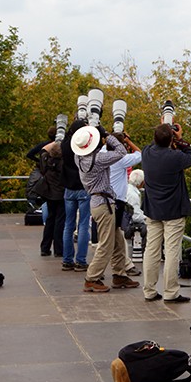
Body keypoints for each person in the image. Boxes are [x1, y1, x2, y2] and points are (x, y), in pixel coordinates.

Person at [72, 125, 139, 293]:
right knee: (106, 245)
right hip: (104, 205)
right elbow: (121, 152)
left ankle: (119, 274)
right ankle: (92, 278)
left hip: (100, 202)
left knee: (118, 241)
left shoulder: (79, 158)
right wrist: (107, 135)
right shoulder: (98, 160)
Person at [141, 122, 191, 303]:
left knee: (151, 250)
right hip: (173, 210)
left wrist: (164, 131)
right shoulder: (175, 157)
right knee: (171, 251)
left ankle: (149, 290)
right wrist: (180, 140)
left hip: (153, 210)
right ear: (171, 139)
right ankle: (170, 291)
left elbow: (151, 144)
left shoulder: (147, 154)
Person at [109, 131, 143, 276]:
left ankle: (122, 270)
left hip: (105, 201)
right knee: (108, 242)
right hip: (116, 202)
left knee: (117, 239)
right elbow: (141, 154)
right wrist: (128, 142)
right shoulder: (121, 159)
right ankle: (94, 275)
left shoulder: (103, 154)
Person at [61, 117, 91, 271]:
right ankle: (81, 260)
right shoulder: (84, 146)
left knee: (68, 225)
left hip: (68, 188)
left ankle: (67, 259)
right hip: (83, 187)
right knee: (84, 225)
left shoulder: (65, 144)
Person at [37, 139, 66, 257]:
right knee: (60, 222)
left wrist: (54, 143)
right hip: (60, 194)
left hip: (49, 194)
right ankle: (58, 249)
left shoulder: (46, 162)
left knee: (50, 220)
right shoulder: (63, 164)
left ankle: (45, 247)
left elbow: (43, 150)